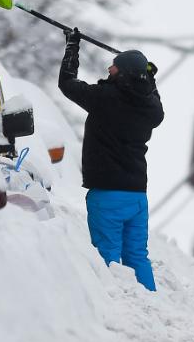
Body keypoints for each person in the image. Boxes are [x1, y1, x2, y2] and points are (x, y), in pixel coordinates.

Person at [58, 28, 164, 291]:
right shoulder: (151, 109)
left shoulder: (105, 99)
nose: (109, 68)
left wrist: (72, 47)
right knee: (137, 256)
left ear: (124, 74)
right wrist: (147, 75)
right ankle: (152, 307)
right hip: (137, 195)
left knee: (107, 258)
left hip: (107, 195)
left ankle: (118, 312)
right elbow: (150, 91)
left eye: (114, 67)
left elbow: (67, 83)